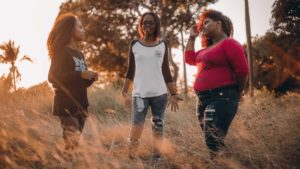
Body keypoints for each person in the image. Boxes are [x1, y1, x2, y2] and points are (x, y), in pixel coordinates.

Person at [184, 9, 249, 158]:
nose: (202, 27)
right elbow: (189, 59)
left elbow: (242, 71)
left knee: (212, 139)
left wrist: (236, 94)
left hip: (222, 97)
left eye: (206, 22)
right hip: (202, 100)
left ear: (218, 24)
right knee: (213, 140)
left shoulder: (229, 43)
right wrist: (192, 38)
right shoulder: (204, 51)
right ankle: (225, 163)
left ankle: (226, 163)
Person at [121, 11, 182, 160]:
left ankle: (157, 159)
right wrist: (124, 92)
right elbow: (130, 71)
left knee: (158, 127)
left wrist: (173, 93)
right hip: (139, 95)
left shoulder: (162, 45)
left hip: (159, 95)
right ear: (141, 26)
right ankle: (131, 157)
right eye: (144, 22)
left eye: (151, 22)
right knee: (137, 126)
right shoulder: (135, 45)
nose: (147, 24)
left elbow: (166, 71)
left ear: (156, 25)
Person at [47, 13, 98, 151]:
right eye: (80, 27)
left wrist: (90, 78)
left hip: (81, 106)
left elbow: (81, 82)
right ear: (70, 30)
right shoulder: (61, 52)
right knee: (72, 142)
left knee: (73, 146)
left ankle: (67, 163)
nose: (83, 30)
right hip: (66, 105)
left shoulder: (80, 54)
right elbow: (52, 77)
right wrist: (80, 74)